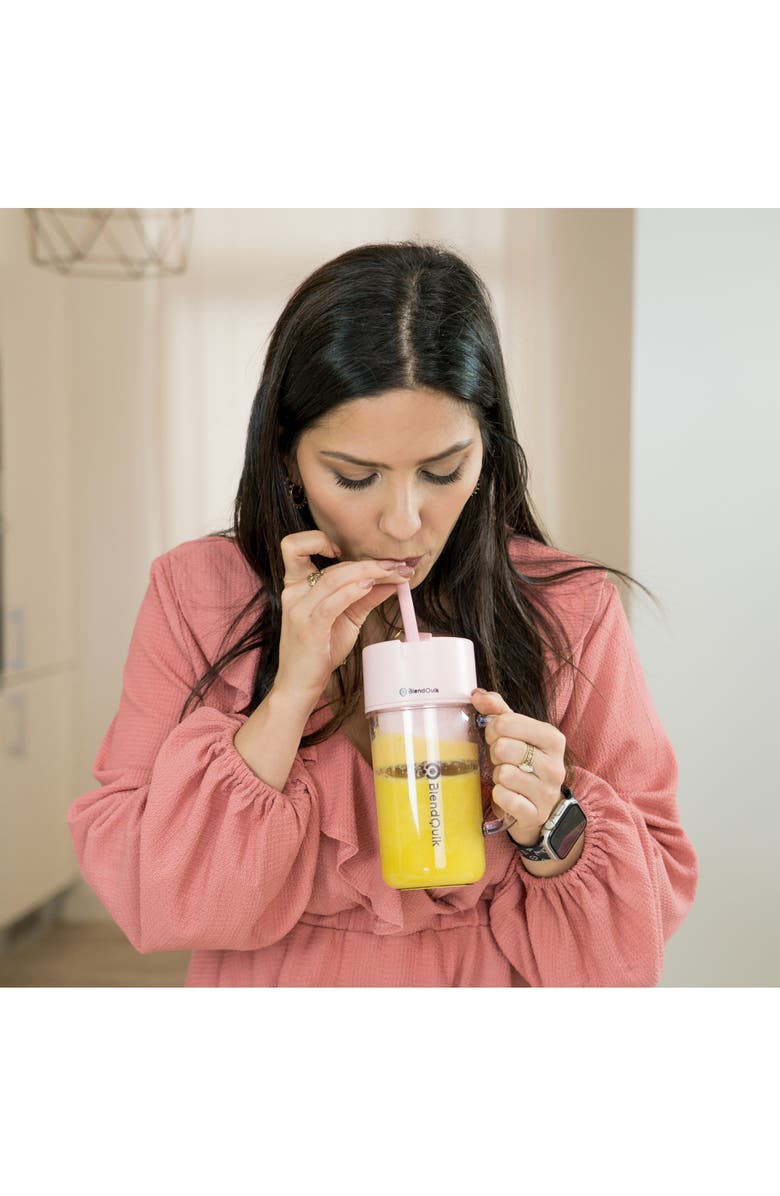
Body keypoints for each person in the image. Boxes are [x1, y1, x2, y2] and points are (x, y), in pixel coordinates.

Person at [67, 240, 698, 987]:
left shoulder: (567, 606)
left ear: (487, 450)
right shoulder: (196, 593)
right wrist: (291, 691)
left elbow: (632, 948)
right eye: (355, 476)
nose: (404, 521)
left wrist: (551, 826)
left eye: (443, 470)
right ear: (286, 457)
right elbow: (156, 896)